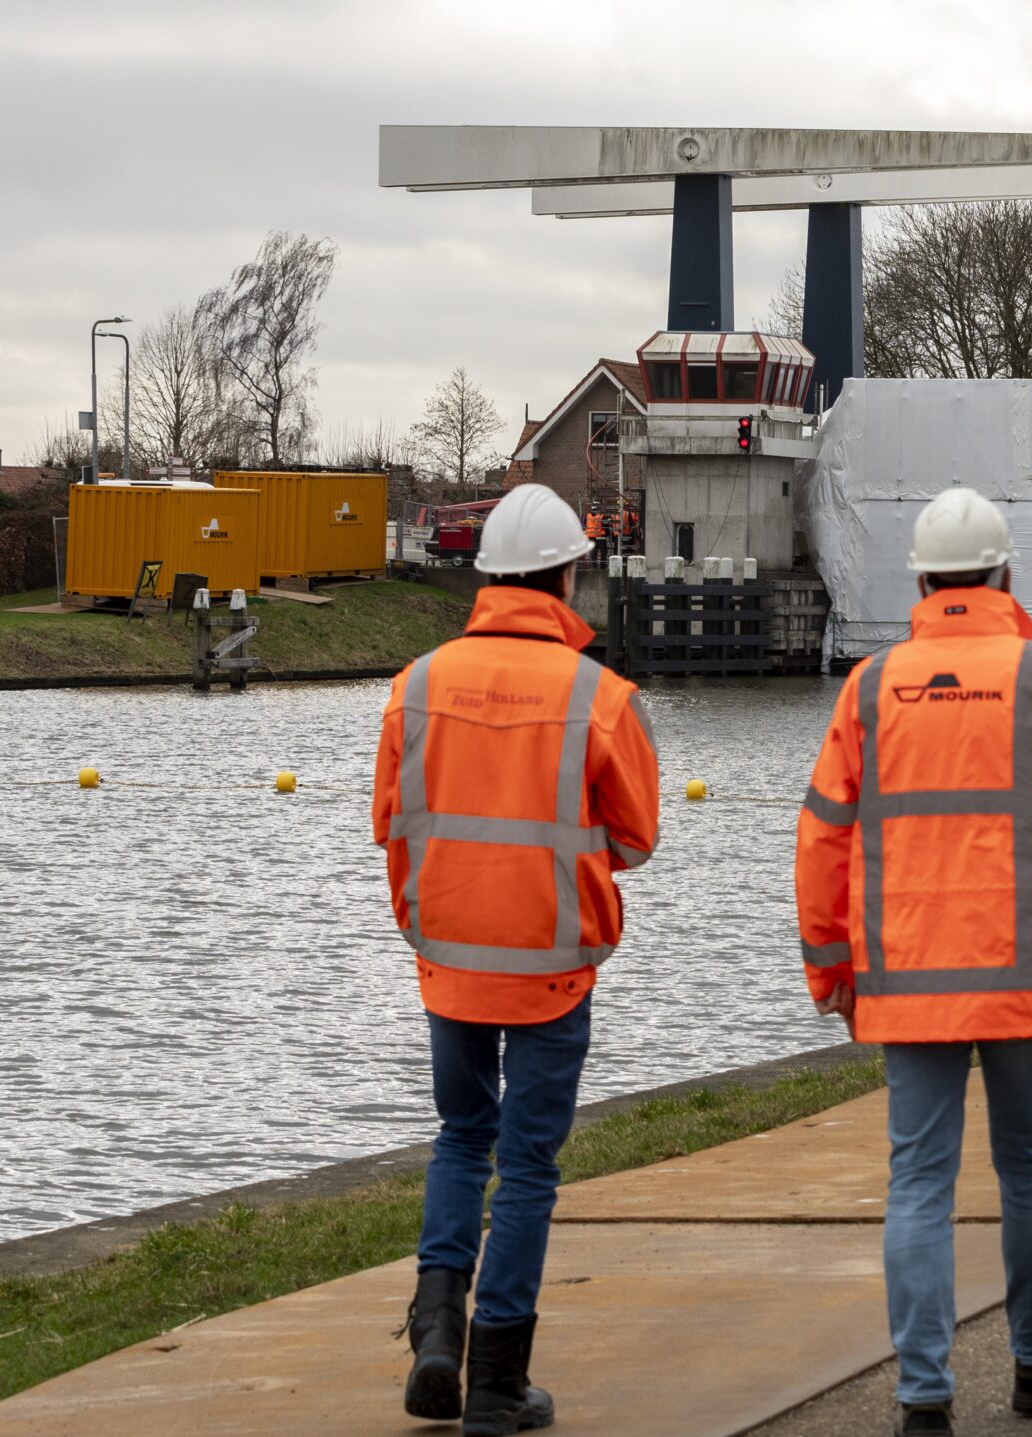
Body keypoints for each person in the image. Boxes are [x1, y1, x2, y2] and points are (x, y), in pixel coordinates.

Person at [795, 487, 1032, 1436]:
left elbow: (823, 838)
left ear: (920, 579)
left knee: (919, 1181)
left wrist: (828, 965)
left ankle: (924, 1398)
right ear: (1005, 574)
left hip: (905, 984)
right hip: (1027, 975)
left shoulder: (870, 689)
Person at [372, 484, 661, 1436]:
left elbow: (389, 820)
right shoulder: (600, 696)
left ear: (489, 576)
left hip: (448, 953)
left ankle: (436, 1336)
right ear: (566, 577)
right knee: (528, 1163)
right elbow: (636, 837)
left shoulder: (415, 684)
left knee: (463, 1135)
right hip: (551, 959)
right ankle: (497, 1378)